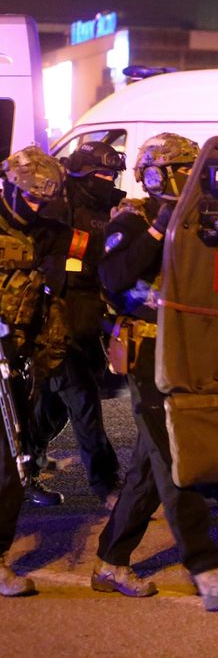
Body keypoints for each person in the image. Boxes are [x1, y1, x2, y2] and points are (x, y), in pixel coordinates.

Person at [93, 133, 218, 610]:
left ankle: (110, 561)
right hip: (148, 356)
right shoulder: (133, 219)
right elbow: (115, 278)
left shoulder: (198, 218)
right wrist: (158, 228)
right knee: (177, 463)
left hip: (190, 351)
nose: (191, 178)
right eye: (181, 169)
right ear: (153, 175)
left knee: (150, 468)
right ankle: (207, 572)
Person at [0, 144, 88, 595]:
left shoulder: (48, 230)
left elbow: (95, 248)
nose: (35, 207)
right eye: (30, 198)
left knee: (12, 467)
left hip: (17, 365)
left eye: (43, 201)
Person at [20, 142, 126, 508]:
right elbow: (47, 260)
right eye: (101, 174)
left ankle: (24, 469)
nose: (108, 180)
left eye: (112, 175)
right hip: (56, 324)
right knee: (83, 402)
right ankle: (107, 484)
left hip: (90, 321)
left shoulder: (111, 207)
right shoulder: (56, 208)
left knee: (52, 409)